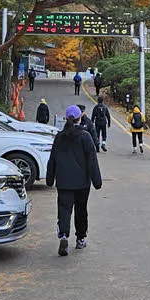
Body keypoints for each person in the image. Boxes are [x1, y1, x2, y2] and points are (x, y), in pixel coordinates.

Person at [46, 105, 102, 255]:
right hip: (82, 183)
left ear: (66, 118)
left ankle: (63, 234)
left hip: (64, 182)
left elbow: (53, 159)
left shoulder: (60, 136)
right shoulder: (85, 136)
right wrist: (97, 181)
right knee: (81, 210)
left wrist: (50, 178)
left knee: (64, 209)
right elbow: (92, 160)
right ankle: (80, 238)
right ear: (80, 118)